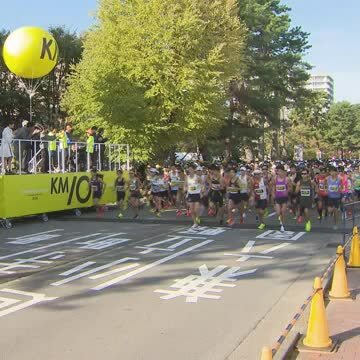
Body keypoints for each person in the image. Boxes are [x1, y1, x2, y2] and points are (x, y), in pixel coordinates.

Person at [272, 164, 292, 232]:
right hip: (277, 197)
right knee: (278, 212)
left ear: (283, 171)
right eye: (278, 171)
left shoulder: (287, 179)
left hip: (284, 198)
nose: (279, 173)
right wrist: (273, 194)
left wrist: (287, 191)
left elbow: (290, 187)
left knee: (283, 212)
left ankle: (282, 224)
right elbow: (273, 187)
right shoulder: (275, 178)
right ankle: (280, 219)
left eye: (280, 171)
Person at [184, 163, 203, 227]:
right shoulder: (187, 177)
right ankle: (195, 222)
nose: (190, 170)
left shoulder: (197, 177)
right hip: (190, 194)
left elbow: (202, 184)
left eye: (191, 169)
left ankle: (197, 217)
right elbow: (185, 185)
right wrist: (185, 189)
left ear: (194, 170)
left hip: (197, 194)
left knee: (196, 209)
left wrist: (201, 191)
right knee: (191, 210)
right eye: (189, 169)